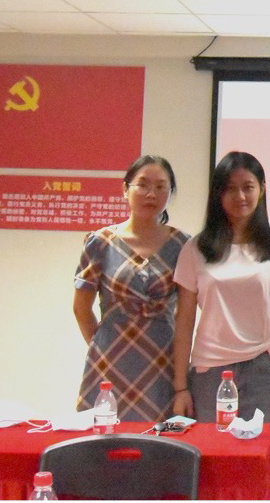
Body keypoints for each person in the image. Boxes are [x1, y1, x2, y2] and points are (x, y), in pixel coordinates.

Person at [172, 151, 270, 424]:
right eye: (230, 188)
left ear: (262, 189)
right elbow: (184, 321)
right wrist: (181, 387)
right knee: (212, 449)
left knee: (260, 449)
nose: (240, 196)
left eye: (248, 187)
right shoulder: (196, 248)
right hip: (209, 371)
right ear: (218, 194)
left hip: (264, 369)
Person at [73, 155, 189, 421]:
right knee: (103, 438)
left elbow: (187, 315)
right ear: (125, 189)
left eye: (161, 187)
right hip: (108, 361)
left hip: (163, 360)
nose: (151, 194)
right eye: (143, 185)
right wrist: (103, 346)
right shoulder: (100, 242)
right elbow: (81, 308)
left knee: (159, 440)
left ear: (170, 193)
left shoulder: (183, 245)